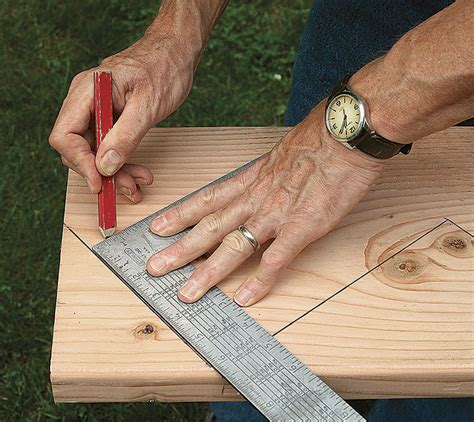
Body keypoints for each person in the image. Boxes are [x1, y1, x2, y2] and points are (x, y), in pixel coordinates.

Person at [49, 1, 473, 420]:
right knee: (262, 339)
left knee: (446, 357)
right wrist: (174, 34)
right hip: (371, 15)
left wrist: (347, 131)